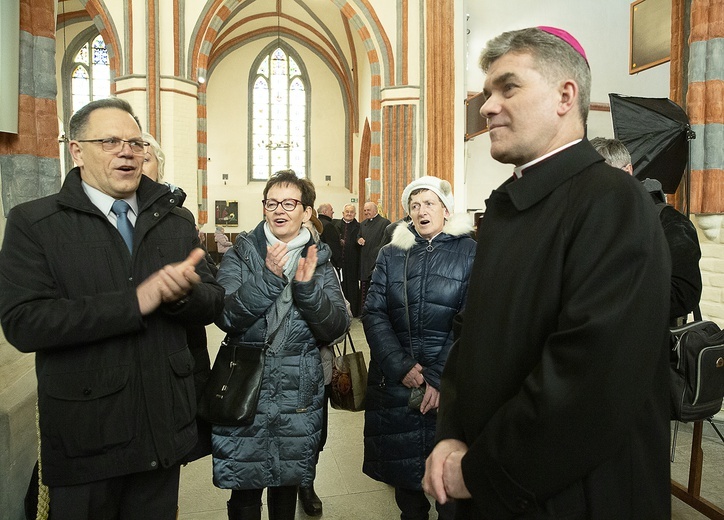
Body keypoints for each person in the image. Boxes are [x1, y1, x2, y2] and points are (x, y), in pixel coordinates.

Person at [423, 27, 672, 519]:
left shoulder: (612, 202)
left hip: (569, 495)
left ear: (565, 95)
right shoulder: (511, 206)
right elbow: (472, 337)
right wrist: (451, 431)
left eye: (508, 88)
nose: (488, 106)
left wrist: (479, 470)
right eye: (487, 92)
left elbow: (589, 379)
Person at [0, 97, 224, 520]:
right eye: (110, 141)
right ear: (77, 150)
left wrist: (180, 296)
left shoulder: (173, 221)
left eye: (135, 142)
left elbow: (214, 301)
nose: (127, 151)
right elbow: (24, 323)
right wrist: (135, 302)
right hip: (88, 437)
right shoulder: (35, 223)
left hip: (163, 429)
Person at [211, 170, 350, 520]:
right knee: (244, 488)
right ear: (263, 208)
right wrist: (268, 280)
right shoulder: (241, 254)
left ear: (306, 211)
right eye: (272, 203)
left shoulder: (320, 259)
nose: (280, 210)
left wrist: (307, 291)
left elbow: (336, 325)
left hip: (297, 385)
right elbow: (226, 316)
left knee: (287, 485)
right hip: (247, 382)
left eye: (289, 203)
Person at [362, 176, 476, 520]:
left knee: (451, 493)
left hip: (451, 387)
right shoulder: (390, 254)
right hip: (399, 386)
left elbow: (473, 318)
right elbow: (374, 312)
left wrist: (439, 376)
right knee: (407, 489)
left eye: (429, 203)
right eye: (414, 205)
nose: (421, 211)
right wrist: (402, 366)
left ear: (445, 209)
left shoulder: (470, 252)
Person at [141, 131, 216, 463]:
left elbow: (214, 299)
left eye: (145, 158)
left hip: (172, 373)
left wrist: (185, 294)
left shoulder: (180, 221)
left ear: (159, 168)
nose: (132, 163)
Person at [590, 136, 702, 323]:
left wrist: (614, 295)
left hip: (647, 342)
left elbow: (684, 294)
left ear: (627, 171)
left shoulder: (671, 224)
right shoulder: (595, 220)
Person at [357, 201, 391, 307]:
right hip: (365, 260)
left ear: (375, 210)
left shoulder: (384, 223)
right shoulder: (362, 224)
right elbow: (358, 236)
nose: (366, 212)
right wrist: (359, 239)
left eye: (368, 210)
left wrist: (377, 252)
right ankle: (364, 311)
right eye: (365, 210)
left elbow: (386, 241)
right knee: (364, 288)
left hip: (377, 260)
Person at [334, 203, 362, 316]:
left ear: (355, 214)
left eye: (351, 212)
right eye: (347, 212)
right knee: (340, 285)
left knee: (353, 286)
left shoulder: (359, 226)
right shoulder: (336, 225)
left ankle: (354, 311)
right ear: (343, 213)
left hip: (353, 261)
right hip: (339, 261)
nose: (349, 214)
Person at [316, 203, 343, 269]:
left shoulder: (316, 223)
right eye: (331, 210)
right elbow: (333, 246)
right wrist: (339, 262)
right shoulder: (329, 226)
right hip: (329, 263)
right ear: (325, 212)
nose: (333, 212)